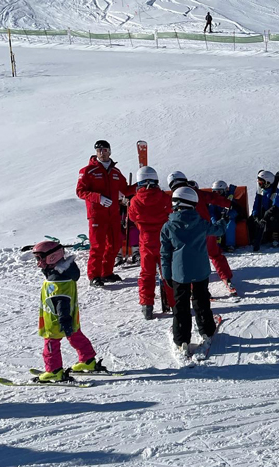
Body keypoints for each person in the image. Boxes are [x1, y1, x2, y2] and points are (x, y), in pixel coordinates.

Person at [160, 187, 226, 364]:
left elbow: (165, 253)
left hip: (178, 273)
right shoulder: (200, 222)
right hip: (200, 271)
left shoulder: (168, 226)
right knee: (201, 300)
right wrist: (223, 221)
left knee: (180, 306)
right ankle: (206, 329)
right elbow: (218, 230)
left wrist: (166, 273)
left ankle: (181, 338)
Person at [31, 241, 100, 382]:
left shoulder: (57, 280)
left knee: (51, 345)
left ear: (52, 257)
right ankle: (88, 360)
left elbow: (61, 301)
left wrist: (64, 319)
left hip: (56, 320)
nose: (38, 263)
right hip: (70, 317)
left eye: (39, 259)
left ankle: (54, 371)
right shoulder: (63, 273)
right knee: (75, 336)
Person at [167, 172, 239, 295]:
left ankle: (193, 286)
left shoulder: (174, 197)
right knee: (215, 254)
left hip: (187, 235)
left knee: (189, 259)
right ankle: (226, 278)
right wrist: (230, 204)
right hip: (206, 229)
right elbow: (213, 198)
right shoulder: (195, 192)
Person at [76, 139, 135, 286]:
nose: (102, 152)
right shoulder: (88, 171)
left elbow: (125, 190)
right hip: (97, 214)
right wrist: (98, 198)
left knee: (114, 245)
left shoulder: (115, 172)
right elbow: (80, 191)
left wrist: (139, 185)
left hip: (113, 214)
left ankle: (106, 272)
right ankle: (94, 275)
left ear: (110, 151)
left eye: (104, 149)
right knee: (98, 246)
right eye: (99, 150)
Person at [128, 166, 175, 320]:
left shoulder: (135, 201)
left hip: (146, 242)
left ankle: (147, 305)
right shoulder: (164, 197)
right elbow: (171, 213)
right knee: (168, 273)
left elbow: (132, 218)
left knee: (147, 274)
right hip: (164, 241)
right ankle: (174, 304)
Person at [249, 170, 279, 252]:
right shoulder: (260, 191)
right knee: (251, 220)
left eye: (261, 183)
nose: (260, 185)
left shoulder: (275, 191)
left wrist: (265, 217)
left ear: (268, 182)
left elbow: (276, 205)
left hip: (274, 211)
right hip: (264, 210)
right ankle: (255, 237)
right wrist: (255, 215)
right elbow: (256, 203)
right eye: (259, 183)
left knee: (273, 219)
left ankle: (275, 237)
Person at [209, 180, 241, 252]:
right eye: (215, 192)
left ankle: (230, 245)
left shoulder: (230, 199)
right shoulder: (213, 200)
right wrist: (214, 220)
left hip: (228, 218)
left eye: (219, 192)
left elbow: (237, 210)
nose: (217, 194)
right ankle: (216, 245)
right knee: (212, 225)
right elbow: (211, 212)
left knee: (230, 224)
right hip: (218, 218)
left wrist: (229, 216)